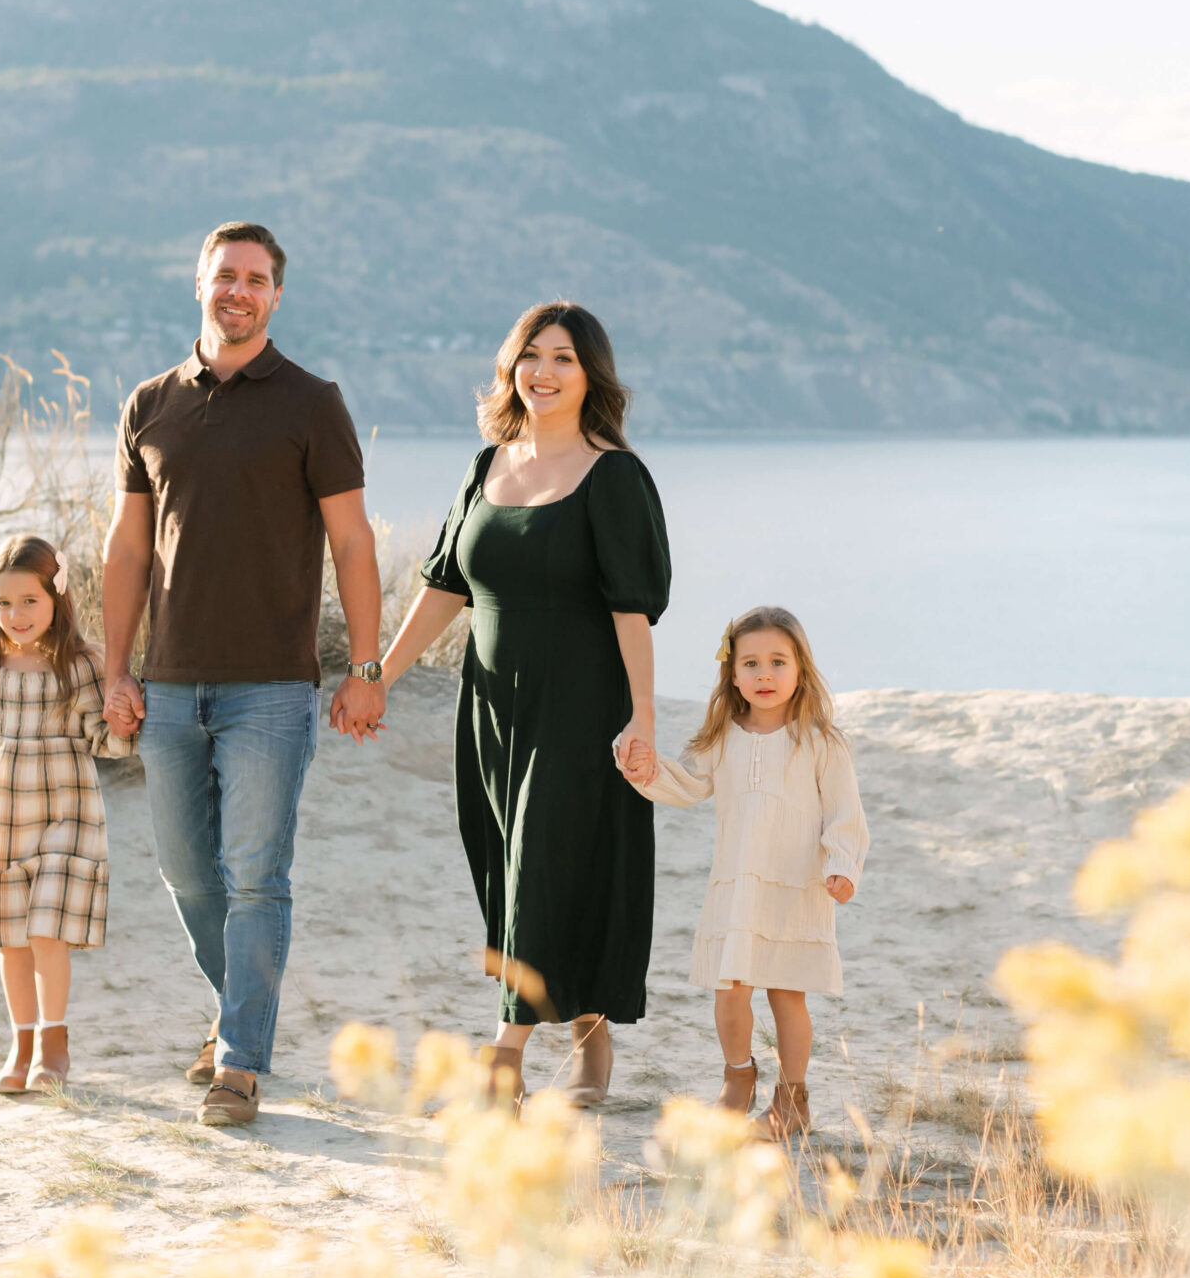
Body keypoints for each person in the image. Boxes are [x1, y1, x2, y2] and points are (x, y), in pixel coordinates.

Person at [99, 221, 388, 1128]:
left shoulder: (312, 403)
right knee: (188, 873)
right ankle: (238, 1019)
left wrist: (366, 666)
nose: (240, 291)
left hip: (272, 686)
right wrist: (113, 668)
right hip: (171, 684)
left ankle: (239, 1065)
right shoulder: (150, 403)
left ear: (276, 296)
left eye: (257, 280)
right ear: (198, 285)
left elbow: (352, 540)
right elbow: (127, 548)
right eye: (226, 275)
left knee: (256, 874)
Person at [372, 301, 670, 1109]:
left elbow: (631, 611)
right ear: (511, 366)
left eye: (564, 357)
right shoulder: (487, 464)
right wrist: (381, 674)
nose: (544, 370)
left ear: (591, 374)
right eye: (531, 354)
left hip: (580, 707)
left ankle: (503, 1054)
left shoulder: (614, 476)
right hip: (491, 707)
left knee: (543, 864)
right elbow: (444, 587)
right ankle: (591, 1040)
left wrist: (642, 717)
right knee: (515, 876)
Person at [620, 606, 867, 1141]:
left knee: (786, 993)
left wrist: (843, 867)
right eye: (750, 663)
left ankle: (792, 1099)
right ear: (732, 673)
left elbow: (845, 815)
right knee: (730, 990)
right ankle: (738, 1079)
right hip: (736, 885)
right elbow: (685, 784)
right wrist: (646, 770)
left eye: (778, 661)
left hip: (797, 886)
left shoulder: (822, 741)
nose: (764, 674)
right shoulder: (722, 738)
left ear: (801, 667)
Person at [0, 534, 131, 1096]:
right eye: (4, 603)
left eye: (30, 601)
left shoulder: (84, 663)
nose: (16, 615)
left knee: (47, 930)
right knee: (12, 938)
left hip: (67, 812)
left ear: (56, 598)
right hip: (4, 814)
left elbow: (105, 743)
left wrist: (122, 722)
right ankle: (20, 1044)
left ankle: (54, 1044)